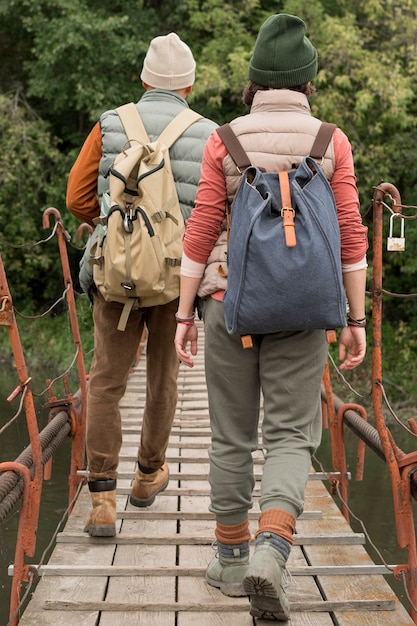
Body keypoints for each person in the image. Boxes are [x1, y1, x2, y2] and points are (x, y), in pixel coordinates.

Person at [174, 13, 368, 622]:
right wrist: (355, 319)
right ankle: (273, 552)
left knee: (232, 432)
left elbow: (202, 229)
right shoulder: (330, 140)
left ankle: (230, 559)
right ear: (307, 80)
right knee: (291, 433)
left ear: (254, 80)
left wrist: (184, 312)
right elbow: (353, 236)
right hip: (307, 308)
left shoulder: (223, 139)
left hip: (228, 304)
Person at [66, 32, 217, 538]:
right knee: (163, 378)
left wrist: (111, 227)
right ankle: (148, 477)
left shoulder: (111, 123)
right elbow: (216, 215)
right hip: (177, 279)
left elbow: (75, 197)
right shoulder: (209, 132)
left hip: (115, 276)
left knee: (106, 380)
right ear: (190, 84)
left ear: (145, 78)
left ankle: (102, 501)